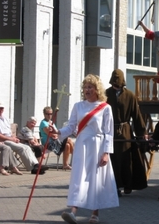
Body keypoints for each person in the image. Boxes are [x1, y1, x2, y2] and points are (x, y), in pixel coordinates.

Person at [50, 74, 119, 224]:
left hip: (98, 146)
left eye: (90, 87)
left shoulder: (105, 108)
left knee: (96, 180)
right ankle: (73, 212)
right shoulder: (78, 106)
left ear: (97, 89)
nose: (87, 90)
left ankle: (95, 214)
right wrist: (58, 132)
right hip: (82, 145)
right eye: (85, 87)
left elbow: (109, 132)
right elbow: (71, 127)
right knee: (79, 178)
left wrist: (106, 153)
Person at [106, 69, 148, 197]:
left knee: (126, 159)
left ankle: (128, 185)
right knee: (113, 160)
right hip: (110, 130)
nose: (116, 86)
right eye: (114, 84)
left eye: (118, 84)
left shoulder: (129, 95)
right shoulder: (106, 94)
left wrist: (142, 133)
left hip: (125, 132)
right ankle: (116, 186)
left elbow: (136, 114)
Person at [0, 101, 48, 174]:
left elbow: (9, 132)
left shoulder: (5, 119)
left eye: (2, 108)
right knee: (22, 148)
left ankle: (36, 165)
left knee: (27, 147)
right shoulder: (25, 129)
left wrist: (14, 138)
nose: (0, 110)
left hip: (10, 139)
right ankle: (32, 168)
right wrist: (11, 139)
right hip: (3, 140)